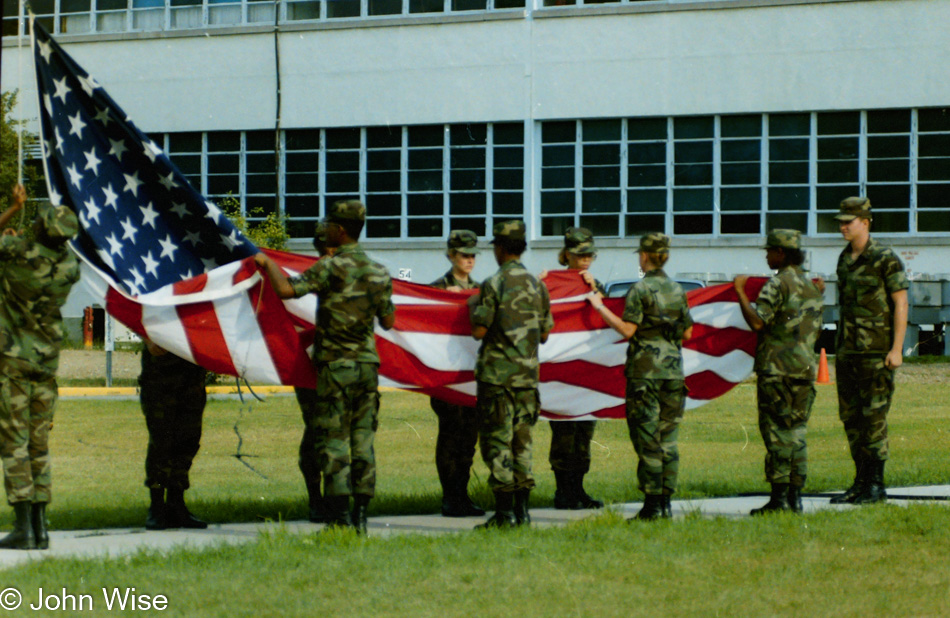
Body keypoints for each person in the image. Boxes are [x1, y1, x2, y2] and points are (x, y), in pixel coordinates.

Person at [255, 200, 395, 533]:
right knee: (363, 441)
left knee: (333, 441)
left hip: (335, 368)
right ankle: (361, 516)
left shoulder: (330, 267)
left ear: (341, 230)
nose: (326, 229)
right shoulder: (379, 271)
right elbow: (388, 322)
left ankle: (338, 517)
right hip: (366, 368)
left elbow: (288, 290)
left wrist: (267, 262)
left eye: (330, 224)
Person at [586, 233, 692, 521]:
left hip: (645, 373)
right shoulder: (677, 290)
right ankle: (665, 502)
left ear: (644, 256)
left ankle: (652, 505)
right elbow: (687, 333)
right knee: (668, 439)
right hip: (673, 373)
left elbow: (628, 330)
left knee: (647, 438)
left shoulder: (641, 289)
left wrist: (599, 307)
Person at [0, 184, 80, 550]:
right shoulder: (69, 266)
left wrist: (13, 210)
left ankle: (22, 529)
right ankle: (41, 527)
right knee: (39, 443)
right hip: (47, 361)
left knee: (14, 442)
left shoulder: (18, 251)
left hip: (13, 359)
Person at [733, 230, 824, 515]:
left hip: (777, 370)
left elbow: (758, 323)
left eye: (769, 251)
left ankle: (779, 499)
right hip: (804, 370)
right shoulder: (812, 286)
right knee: (797, 433)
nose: (767, 256)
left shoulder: (777, 284)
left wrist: (739, 293)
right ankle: (795, 497)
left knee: (776, 434)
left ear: (781, 253)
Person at [470, 220, 552, 529]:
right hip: (527, 379)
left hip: (497, 378)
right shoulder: (537, 285)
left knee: (497, 443)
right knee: (522, 442)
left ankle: (504, 513)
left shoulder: (493, 283)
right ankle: (523, 512)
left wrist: (471, 306)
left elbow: (479, 330)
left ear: (501, 249)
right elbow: (544, 335)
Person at [831, 197, 908, 505]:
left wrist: (897, 349)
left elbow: (900, 302)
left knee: (873, 418)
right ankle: (860, 482)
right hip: (848, 352)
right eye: (841, 222)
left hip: (876, 353)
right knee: (851, 419)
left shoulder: (884, 258)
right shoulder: (844, 258)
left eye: (848, 221)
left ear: (865, 221)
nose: (843, 227)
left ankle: (875, 485)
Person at [546, 227, 603, 510]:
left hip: (587, 369)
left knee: (584, 433)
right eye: (581, 255)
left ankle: (578, 489)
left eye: (590, 255)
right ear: (567, 254)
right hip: (561, 370)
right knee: (564, 434)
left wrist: (594, 288)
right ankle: (563, 492)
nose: (586, 260)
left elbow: (606, 316)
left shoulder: (595, 283)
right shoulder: (550, 283)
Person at [429, 230, 485, 518]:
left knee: (468, 441)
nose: (470, 260)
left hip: (473, 376)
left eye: (473, 254)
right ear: (451, 255)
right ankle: (450, 497)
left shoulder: (481, 290)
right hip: (447, 375)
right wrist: (443, 300)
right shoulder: (436, 289)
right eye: (464, 254)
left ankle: (462, 495)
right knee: (450, 438)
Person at [139, 341, 208, 530]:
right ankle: (157, 506)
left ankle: (176, 504)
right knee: (161, 440)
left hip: (192, 367)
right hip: (160, 368)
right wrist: (146, 337)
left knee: (188, 438)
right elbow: (133, 311)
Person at [294, 221, 335, 524]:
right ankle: (317, 499)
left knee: (336, 436)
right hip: (313, 367)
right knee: (318, 433)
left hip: (341, 368)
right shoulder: (314, 272)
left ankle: (334, 499)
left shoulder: (354, 272)